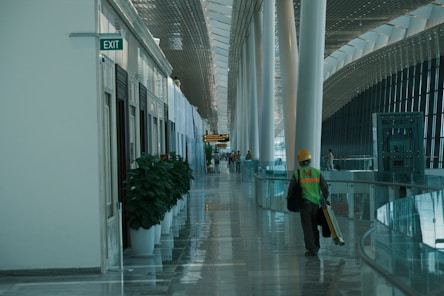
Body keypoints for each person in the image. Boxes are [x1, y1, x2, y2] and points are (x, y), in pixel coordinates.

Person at [290, 149, 329, 256]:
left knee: (307, 228)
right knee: (314, 227)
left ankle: (312, 249)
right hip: (316, 205)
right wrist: (324, 199)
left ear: (299, 162)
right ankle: (316, 246)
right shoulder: (317, 172)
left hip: (304, 205)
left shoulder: (297, 174)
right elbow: (325, 188)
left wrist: (291, 202)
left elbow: (291, 190)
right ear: (310, 160)